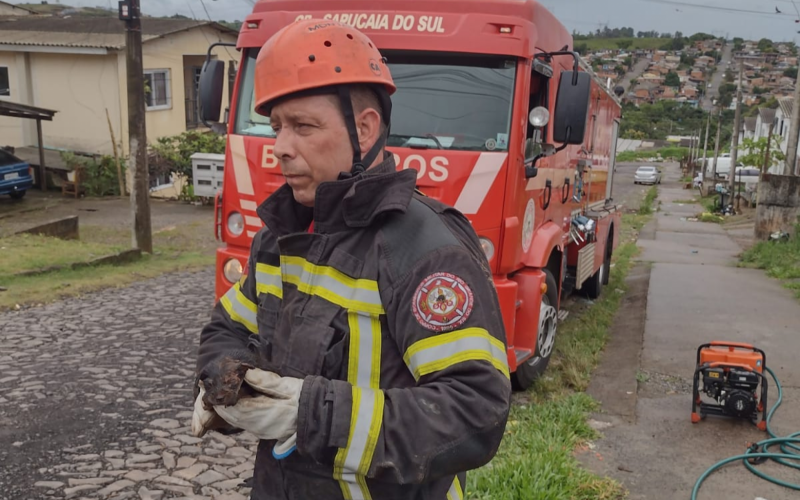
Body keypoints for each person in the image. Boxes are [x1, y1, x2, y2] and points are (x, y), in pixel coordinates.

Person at [192, 19, 511, 500]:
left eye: (303, 126)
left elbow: (473, 410)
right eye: (276, 126)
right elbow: (228, 327)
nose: (279, 147)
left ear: (364, 129)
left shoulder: (425, 250)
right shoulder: (282, 238)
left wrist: (310, 413)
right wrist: (226, 377)